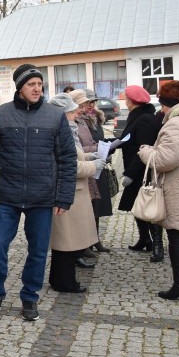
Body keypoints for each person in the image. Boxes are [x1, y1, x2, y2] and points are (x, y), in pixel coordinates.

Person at [0, 64, 77, 322]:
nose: (37, 89)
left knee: (37, 250)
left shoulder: (55, 116)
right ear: (20, 88)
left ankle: (30, 297)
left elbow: (67, 159)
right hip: (7, 196)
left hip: (42, 196)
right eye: (31, 84)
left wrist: (64, 196)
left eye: (39, 84)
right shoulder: (0, 116)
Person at [138, 81, 179, 302]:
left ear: (167, 103)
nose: (161, 110)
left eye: (162, 105)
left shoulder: (177, 124)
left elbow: (166, 160)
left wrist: (146, 151)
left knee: (177, 236)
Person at [46, 93, 103, 293]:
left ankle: (60, 279)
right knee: (66, 242)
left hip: (73, 192)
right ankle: (65, 282)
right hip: (69, 192)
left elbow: (74, 157)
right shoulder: (62, 133)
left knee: (68, 241)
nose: (76, 113)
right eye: (72, 111)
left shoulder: (68, 130)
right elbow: (69, 166)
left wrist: (89, 156)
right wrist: (93, 165)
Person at [116, 85, 163, 260]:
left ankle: (158, 245)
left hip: (143, 172)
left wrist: (130, 173)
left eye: (126, 99)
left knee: (149, 207)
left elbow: (143, 148)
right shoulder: (137, 117)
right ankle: (145, 239)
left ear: (132, 101)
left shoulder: (144, 119)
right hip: (137, 171)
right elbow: (130, 139)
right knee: (137, 207)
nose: (125, 102)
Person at [73, 89, 113, 253]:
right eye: (86, 103)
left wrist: (106, 147)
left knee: (96, 206)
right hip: (87, 166)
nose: (90, 106)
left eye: (91, 102)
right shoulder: (77, 121)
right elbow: (80, 148)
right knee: (86, 208)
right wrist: (98, 149)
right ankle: (85, 244)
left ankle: (94, 240)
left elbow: (97, 139)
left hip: (96, 166)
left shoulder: (94, 119)